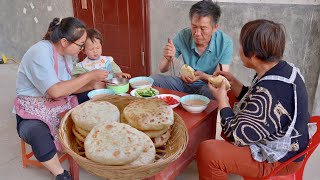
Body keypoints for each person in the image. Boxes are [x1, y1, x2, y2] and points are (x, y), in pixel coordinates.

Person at [196, 19, 310, 179]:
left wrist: (222, 101)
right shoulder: (284, 70)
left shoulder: (269, 91)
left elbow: (234, 135)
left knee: (209, 152)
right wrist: (234, 84)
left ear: (254, 55)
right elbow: (257, 101)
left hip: (281, 157)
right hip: (287, 139)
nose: (239, 50)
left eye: (242, 46)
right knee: (230, 95)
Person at [14, 17, 108, 180]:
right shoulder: (40, 53)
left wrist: (92, 86)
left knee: (97, 97)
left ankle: (97, 142)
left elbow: (67, 86)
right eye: (81, 44)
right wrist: (89, 76)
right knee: (37, 133)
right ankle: (59, 173)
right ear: (64, 41)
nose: (82, 48)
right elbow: (55, 91)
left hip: (58, 101)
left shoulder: (65, 54)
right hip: (32, 108)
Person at [151, 0, 233, 99]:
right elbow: (163, 69)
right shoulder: (184, 35)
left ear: (215, 27)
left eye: (203, 28)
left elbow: (220, 81)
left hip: (207, 86)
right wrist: (167, 57)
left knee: (213, 93)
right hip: (184, 84)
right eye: (194, 27)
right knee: (154, 80)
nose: (197, 33)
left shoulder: (225, 43)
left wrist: (203, 76)